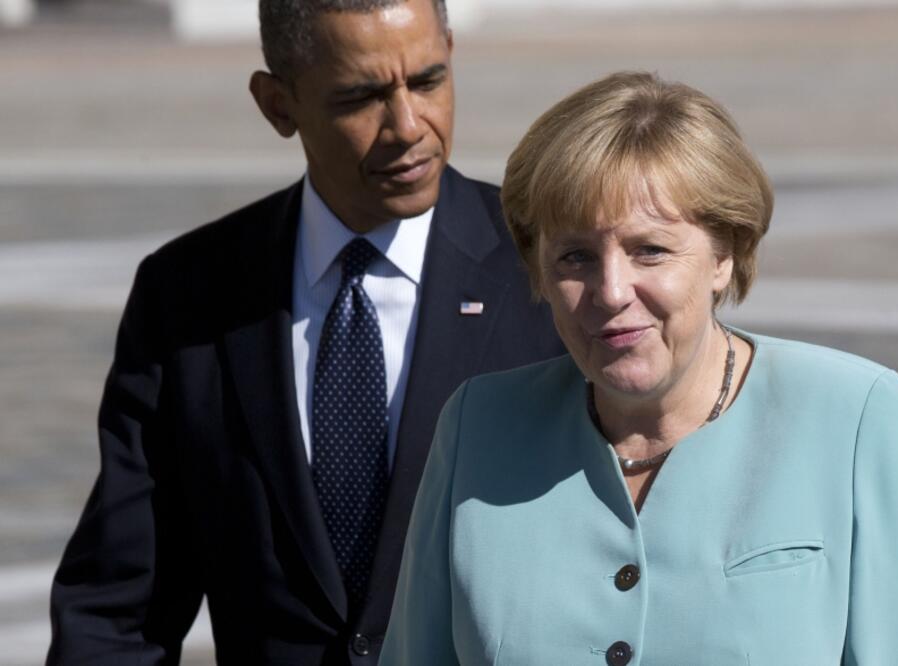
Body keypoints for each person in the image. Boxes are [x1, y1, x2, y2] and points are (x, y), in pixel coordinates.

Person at [381, 71, 898, 665]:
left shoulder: (856, 417)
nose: (610, 291)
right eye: (575, 256)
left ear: (724, 254)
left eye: (650, 250)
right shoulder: (478, 425)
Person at [46, 1, 563, 664]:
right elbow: (118, 611)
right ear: (277, 105)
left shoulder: (551, 272)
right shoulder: (187, 296)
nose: (408, 127)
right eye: (361, 97)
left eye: (428, 81)